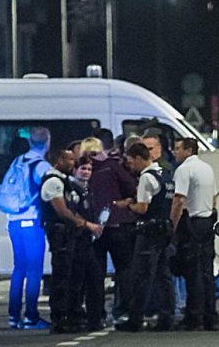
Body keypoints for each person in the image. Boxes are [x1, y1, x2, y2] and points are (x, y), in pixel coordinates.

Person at [40, 150, 103, 333]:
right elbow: (62, 211)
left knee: (73, 277)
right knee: (61, 278)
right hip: (60, 235)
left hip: (70, 236)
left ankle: (73, 314)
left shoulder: (65, 181)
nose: (73, 164)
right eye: (70, 160)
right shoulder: (53, 181)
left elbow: (71, 208)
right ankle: (60, 319)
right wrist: (86, 225)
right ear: (58, 160)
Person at [114, 143, 176, 332]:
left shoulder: (147, 177)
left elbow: (143, 208)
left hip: (148, 232)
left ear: (140, 158)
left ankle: (135, 319)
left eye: (132, 162)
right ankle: (167, 317)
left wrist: (127, 205)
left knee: (141, 276)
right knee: (164, 276)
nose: (131, 166)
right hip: (164, 230)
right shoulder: (166, 175)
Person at [1, 127, 52, 330]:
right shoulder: (41, 166)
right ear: (47, 142)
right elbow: (49, 194)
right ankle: (31, 316)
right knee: (34, 271)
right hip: (32, 222)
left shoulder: (17, 162)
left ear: (30, 142)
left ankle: (14, 316)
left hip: (14, 221)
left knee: (19, 269)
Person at [85, 131, 138, 322]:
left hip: (95, 226)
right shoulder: (113, 166)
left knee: (95, 273)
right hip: (118, 223)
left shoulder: (85, 169)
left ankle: (95, 315)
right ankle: (126, 311)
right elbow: (130, 186)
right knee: (124, 269)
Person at [171, 138, 218, 331]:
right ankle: (210, 316)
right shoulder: (207, 168)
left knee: (193, 272)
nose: (174, 152)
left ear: (188, 150)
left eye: (177, 148)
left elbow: (179, 201)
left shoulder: (183, 170)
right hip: (207, 222)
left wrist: (172, 227)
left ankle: (193, 316)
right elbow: (214, 199)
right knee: (206, 272)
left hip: (192, 224)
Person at [69, 155, 106, 331]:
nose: (86, 172)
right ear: (75, 170)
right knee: (77, 281)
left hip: (87, 240)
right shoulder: (71, 189)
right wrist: (89, 226)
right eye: (83, 169)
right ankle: (76, 317)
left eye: (89, 169)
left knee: (94, 279)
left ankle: (94, 318)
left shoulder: (87, 190)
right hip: (75, 240)